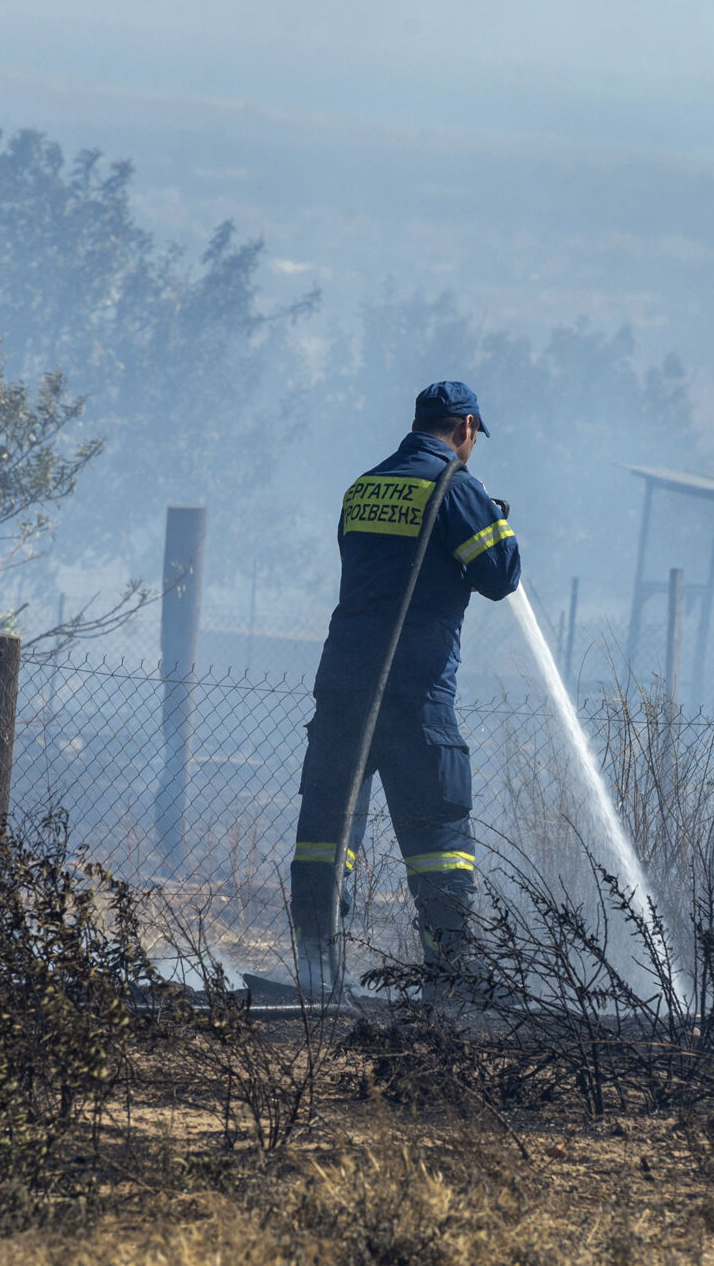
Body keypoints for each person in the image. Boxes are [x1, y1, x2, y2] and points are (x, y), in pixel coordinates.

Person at [289, 380, 522, 998]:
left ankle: (315, 977)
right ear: (466, 428)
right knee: (439, 839)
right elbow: (499, 578)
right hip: (415, 692)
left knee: (324, 834)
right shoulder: (456, 487)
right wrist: (496, 524)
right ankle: (449, 982)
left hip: (342, 684)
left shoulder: (363, 486)